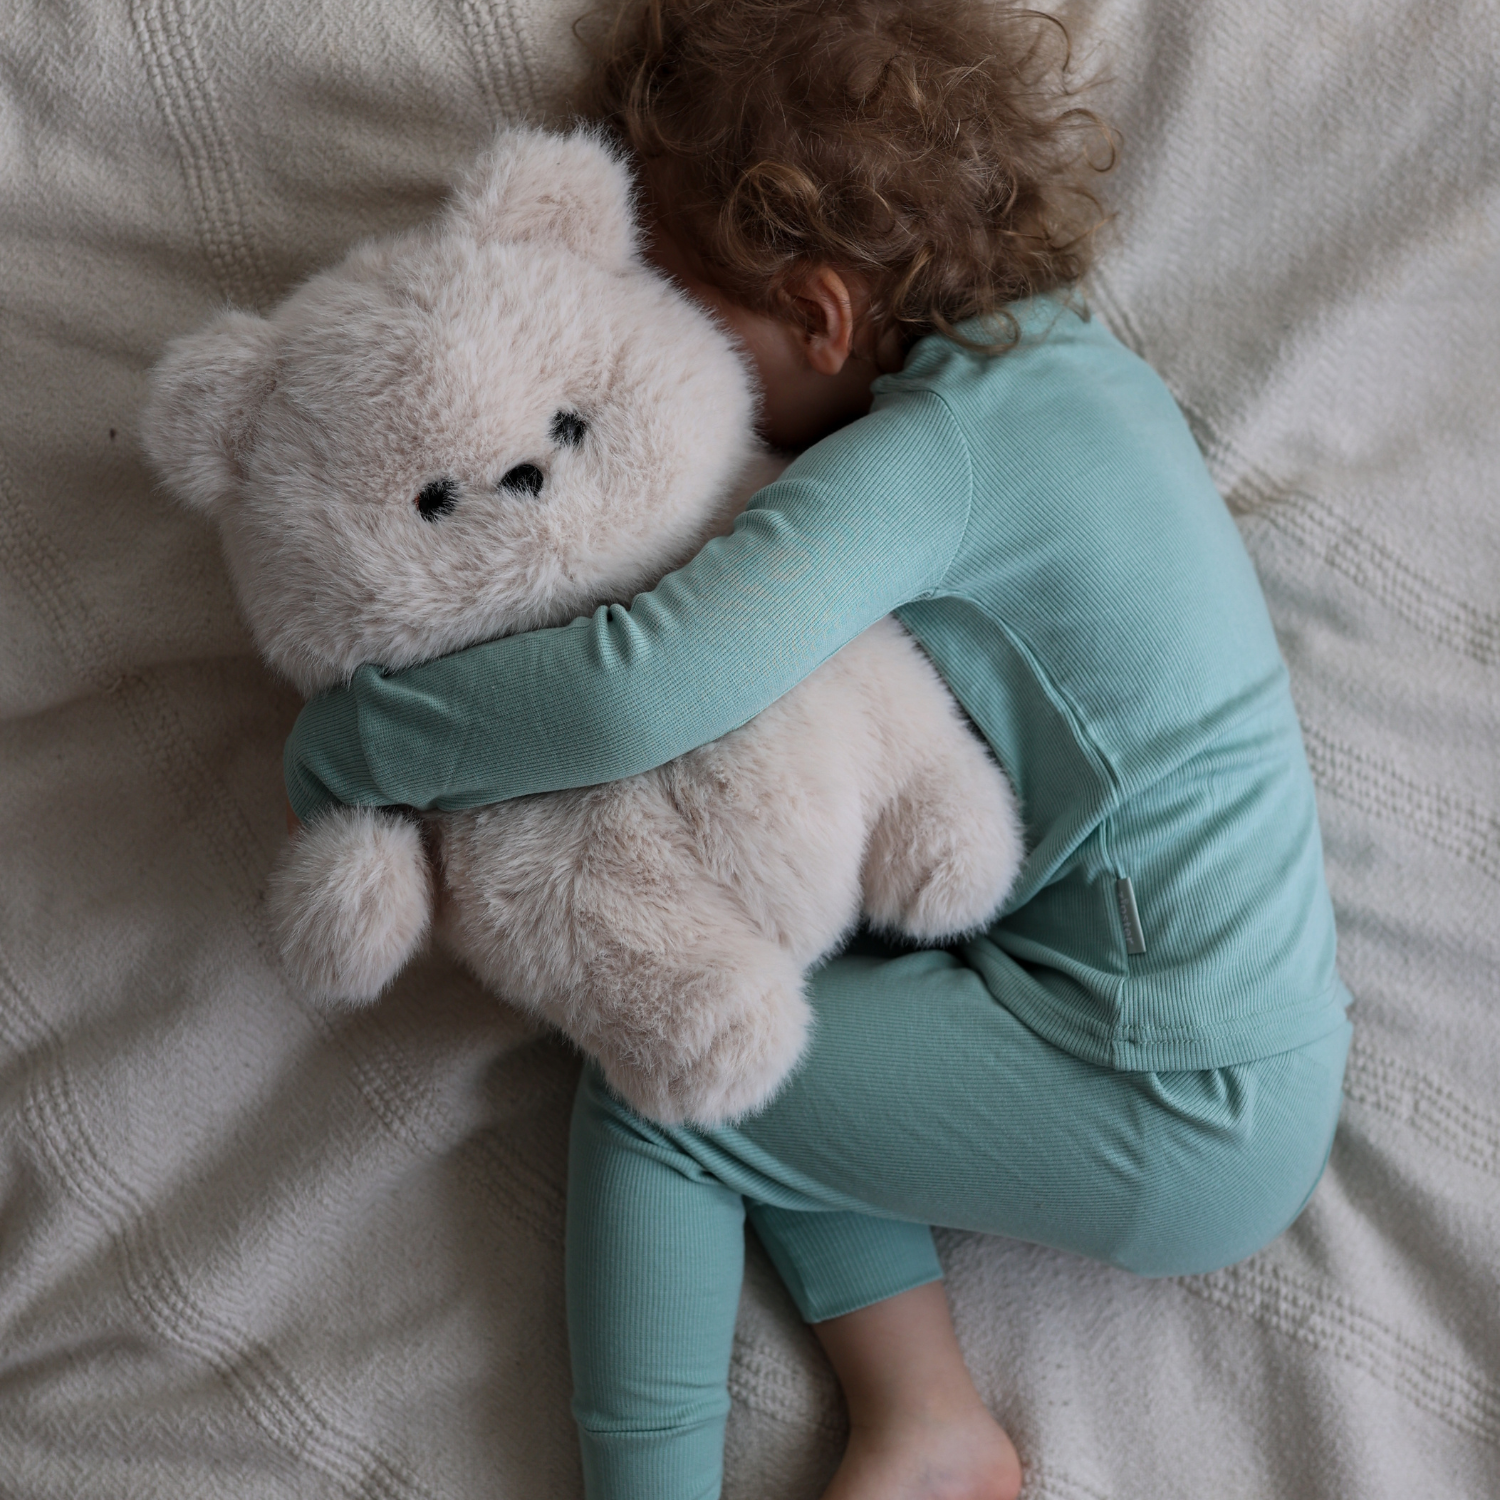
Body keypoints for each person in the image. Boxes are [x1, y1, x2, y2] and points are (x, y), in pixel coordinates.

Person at [283, 2, 1352, 1496]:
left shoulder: (934, 455)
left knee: (668, 1081)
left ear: (822, 316)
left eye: (675, 308)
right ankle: (931, 1424)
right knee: (779, 982)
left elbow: (642, 689)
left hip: (1168, 1087)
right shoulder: (1069, 374)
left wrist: (364, 739)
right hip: (1224, 1048)